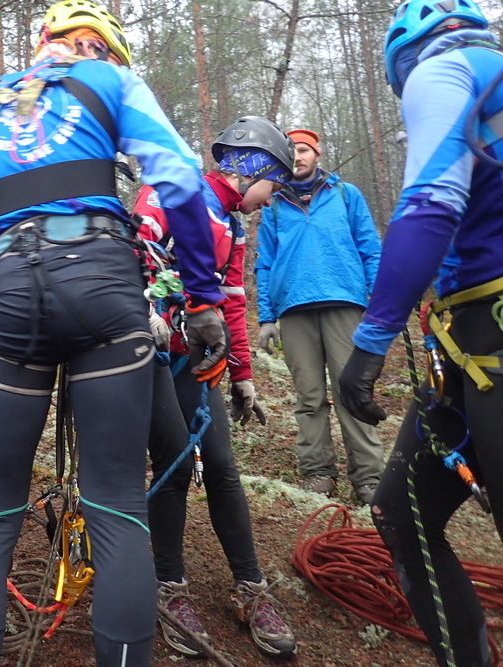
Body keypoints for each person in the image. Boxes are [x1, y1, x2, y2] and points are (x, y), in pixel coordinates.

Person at [0, 2, 228, 664]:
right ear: (103, 48)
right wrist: (204, 296)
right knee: (117, 507)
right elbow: (180, 179)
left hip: (7, 288)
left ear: (45, 44)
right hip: (102, 282)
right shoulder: (110, 81)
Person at [338, 0, 502, 665]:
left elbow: (431, 203)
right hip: (470, 344)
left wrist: (370, 342)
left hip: (491, 333)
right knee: (401, 512)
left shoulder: (442, 70)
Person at [136, 116, 297, 659]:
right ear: (254, 169)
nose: (270, 200)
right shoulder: (172, 192)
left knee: (224, 468)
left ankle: (251, 587)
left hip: (197, 361)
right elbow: (132, 248)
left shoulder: (234, 225)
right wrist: (142, 311)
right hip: (152, 353)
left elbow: (230, 302)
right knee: (175, 465)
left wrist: (244, 375)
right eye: (273, 185)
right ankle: (169, 587)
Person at [255, 126, 385, 503]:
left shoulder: (346, 194)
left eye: (303, 150)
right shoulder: (273, 204)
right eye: (291, 151)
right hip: (294, 309)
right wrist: (266, 317)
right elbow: (265, 263)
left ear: (316, 154)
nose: (297, 157)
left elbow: (370, 248)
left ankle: (369, 478)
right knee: (309, 396)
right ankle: (318, 473)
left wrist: (380, 302)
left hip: (345, 302)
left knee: (352, 390)